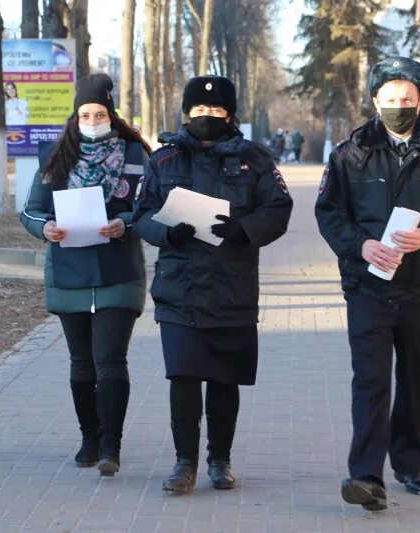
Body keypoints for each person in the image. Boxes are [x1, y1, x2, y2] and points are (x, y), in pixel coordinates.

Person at [314, 57, 420, 511]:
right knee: (370, 380)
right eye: (389, 100)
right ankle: (366, 475)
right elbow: (329, 212)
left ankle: (409, 463)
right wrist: (360, 246)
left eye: (407, 99)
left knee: (413, 378)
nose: (399, 107)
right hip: (368, 285)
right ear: (375, 101)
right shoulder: (352, 151)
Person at [133, 75, 294, 494]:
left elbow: (279, 208)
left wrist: (242, 229)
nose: (207, 118)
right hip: (179, 287)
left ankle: (220, 460)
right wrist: (168, 233)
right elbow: (142, 212)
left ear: (230, 115)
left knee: (224, 379)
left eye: (216, 111)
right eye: (199, 111)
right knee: (183, 377)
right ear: (187, 113)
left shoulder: (255, 160)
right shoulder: (163, 161)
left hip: (231, 286)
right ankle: (183, 462)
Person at [20, 73, 151, 477]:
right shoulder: (55, 155)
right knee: (81, 363)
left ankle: (111, 443)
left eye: (99, 113)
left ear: (111, 114)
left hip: (118, 271)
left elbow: (149, 209)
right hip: (69, 271)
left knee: (110, 359)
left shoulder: (135, 154)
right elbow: (30, 210)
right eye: (84, 114)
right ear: (74, 118)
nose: (92, 120)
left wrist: (124, 224)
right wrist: (45, 227)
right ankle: (89, 437)